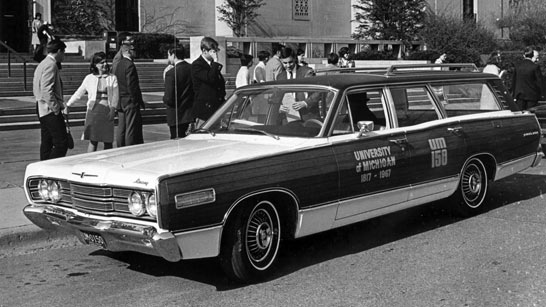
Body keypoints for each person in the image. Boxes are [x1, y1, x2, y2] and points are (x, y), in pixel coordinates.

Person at [66, 52, 119, 152]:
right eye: (101, 63)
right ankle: (89, 163)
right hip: (93, 111)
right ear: (95, 65)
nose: (105, 64)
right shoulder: (89, 78)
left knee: (108, 141)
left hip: (107, 111)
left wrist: (113, 109)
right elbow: (79, 93)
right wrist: (68, 104)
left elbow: (116, 96)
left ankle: (107, 164)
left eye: (105, 62)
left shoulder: (112, 78)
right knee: (93, 140)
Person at [33, 39, 68, 160]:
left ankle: (43, 168)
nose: (64, 56)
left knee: (47, 141)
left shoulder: (43, 63)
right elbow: (46, 89)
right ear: (58, 51)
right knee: (61, 143)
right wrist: (56, 108)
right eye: (63, 52)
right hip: (49, 109)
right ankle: (51, 167)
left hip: (41, 106)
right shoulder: (50, 65)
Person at [112, 32, 145, 146]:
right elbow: (132, 85)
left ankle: (121, 147)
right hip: (129, 100)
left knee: (122, 127)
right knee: (130, 128)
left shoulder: (120, 63)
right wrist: (136, 100)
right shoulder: (128, 64)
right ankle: (128, 149)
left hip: (121, 99)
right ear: (128, 50)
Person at [191, 36, 226, 128]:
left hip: (216, 109)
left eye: (216, 51)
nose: (215, 54)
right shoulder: (197, 65)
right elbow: (209, 78)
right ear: (204, 50)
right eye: (212, 51)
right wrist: (216, 62)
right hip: (205, 111)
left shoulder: (212, 65)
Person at [276, 47, 317, 121]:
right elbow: (276, 96)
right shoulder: (280, 77)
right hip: (288, 118)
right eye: (285, 63)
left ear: (295, 59)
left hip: (307, 117)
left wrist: (305, 103)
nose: (288, 66)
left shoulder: (307, 72)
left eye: (290, 62)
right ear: (281, 61)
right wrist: (279, 107)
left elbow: (318, 92)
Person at [163, 47, 194, 139]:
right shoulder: (192, 69)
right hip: (190, 112)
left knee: (176, 141)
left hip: (176, 114)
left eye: (169, 55)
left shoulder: (171, 73)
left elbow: (169, 97)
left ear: (173, 55)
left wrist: (164, 99)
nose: (168, 58)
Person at [511, 46, 544, 110]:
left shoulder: (517, 66)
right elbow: (539, 82)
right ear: (532, 55)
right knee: (531, 114)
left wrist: (514, 94)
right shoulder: (535, 67)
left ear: (524, 55)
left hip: (519, 95)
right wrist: (542, 94)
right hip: (532, 95)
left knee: (520, 114)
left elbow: (514, 81)